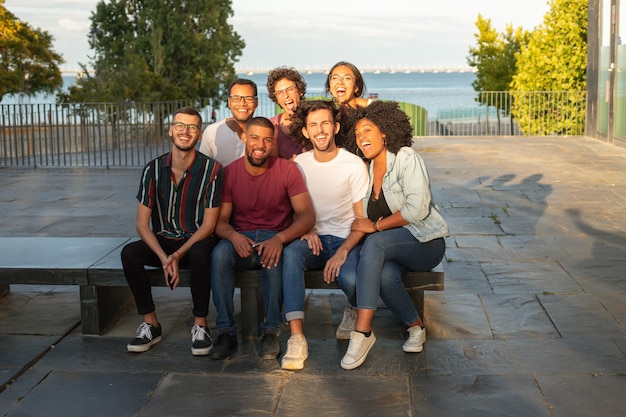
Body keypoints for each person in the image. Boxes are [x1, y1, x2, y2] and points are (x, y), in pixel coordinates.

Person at [338, 101, 449, 370]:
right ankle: (416, 327)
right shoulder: (366, 169)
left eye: (368, 130)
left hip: (425, 242)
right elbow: (361, 219)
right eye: (357, 134)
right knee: (386, 275)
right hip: (392, 246)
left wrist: (375, 228)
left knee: (375, 242)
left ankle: (362, 332)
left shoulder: (406, 158)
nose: (361, 137)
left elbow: (417, 208)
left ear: (385, 132)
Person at [209, 116, 316, 361]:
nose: (261, 144)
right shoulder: (230, 172)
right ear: (245, 139)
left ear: (273, 143)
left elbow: (307, 215)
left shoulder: (287, 170)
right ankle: (226, 331)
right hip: (242, 239)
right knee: (219, 255)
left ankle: (271, 332)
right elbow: (221, 222)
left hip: (274, 237)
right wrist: (234, 237)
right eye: (254, 138)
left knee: (276, 257)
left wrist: (280, 238)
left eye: (268, 140)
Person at [122, 106, 223, 356]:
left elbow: (209, 225)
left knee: (201, 252)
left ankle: (200, 324)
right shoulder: (153, 169)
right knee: (130, 253)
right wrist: (164, 256)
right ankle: (151, 323)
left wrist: (178, 255)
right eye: (180, 125)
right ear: (171, 130)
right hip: (164, 241)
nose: (185, 131)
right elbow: (142, 224)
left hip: (196, 240)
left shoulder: (213, 170)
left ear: (199, 135)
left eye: (192, 127)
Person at [279, 100, 369, 370]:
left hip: (346, 239)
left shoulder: (353, 165)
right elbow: (289, 208)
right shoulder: (298, 165)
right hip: (312, 240)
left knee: (352, 278)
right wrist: (305, 229)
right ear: (305, 132)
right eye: (313, 125)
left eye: (325, 123)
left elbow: (361, 219)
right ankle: (296, 338)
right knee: (291, 255)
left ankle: (353, 309)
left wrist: (343, 251)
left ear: (335, 127)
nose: (320, 130)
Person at [199, 78, 258, 166]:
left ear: (256, 103)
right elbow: (203, 168)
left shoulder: (265, 134)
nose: (242, 103)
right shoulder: (212, 131)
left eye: (248, 98)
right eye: (236, 98)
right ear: (229, 102)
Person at [325, 61, 373, 155]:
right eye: (335, 78)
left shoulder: (371, 109)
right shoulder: (333, 116)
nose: (340, 83)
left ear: (356, 87)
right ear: (330, 88)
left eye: (347, 78)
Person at [266, 66, 308, 160]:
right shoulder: (272, 125)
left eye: (290, 89)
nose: (286, 95)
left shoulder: (314, 120)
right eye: (280, 92)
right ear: (276, 98)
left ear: (300, 91)